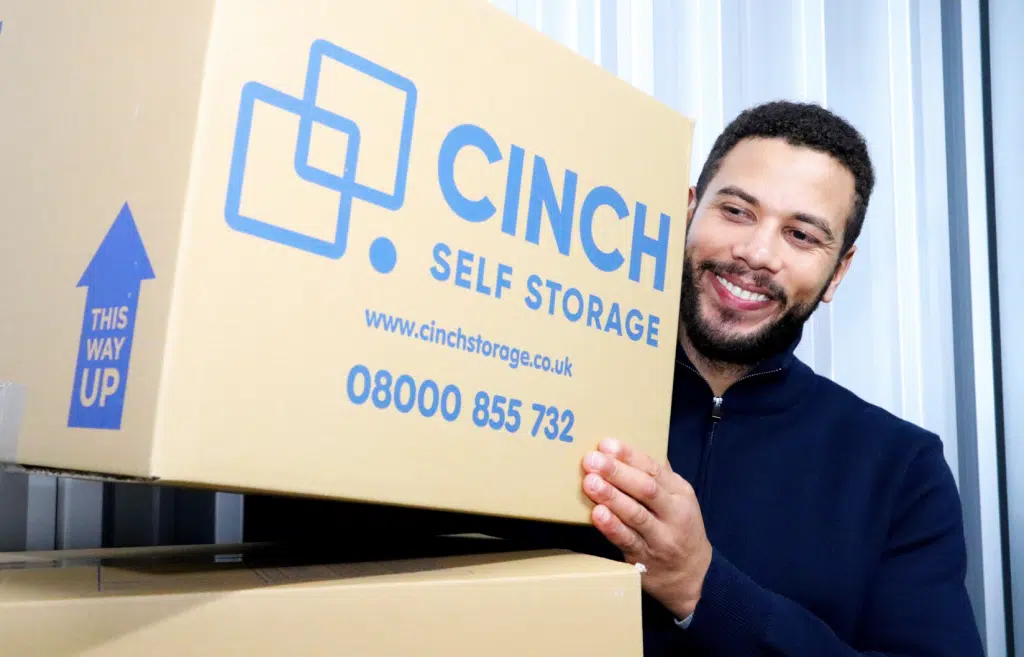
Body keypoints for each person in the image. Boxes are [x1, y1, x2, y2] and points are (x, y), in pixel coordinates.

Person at [570, 100, 986, 656]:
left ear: (837, 272)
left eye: (801, 236)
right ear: (686, 212)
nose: (756, 253)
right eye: (737, 211)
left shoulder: (902, 470)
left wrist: (701, 585)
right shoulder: (557, 388)